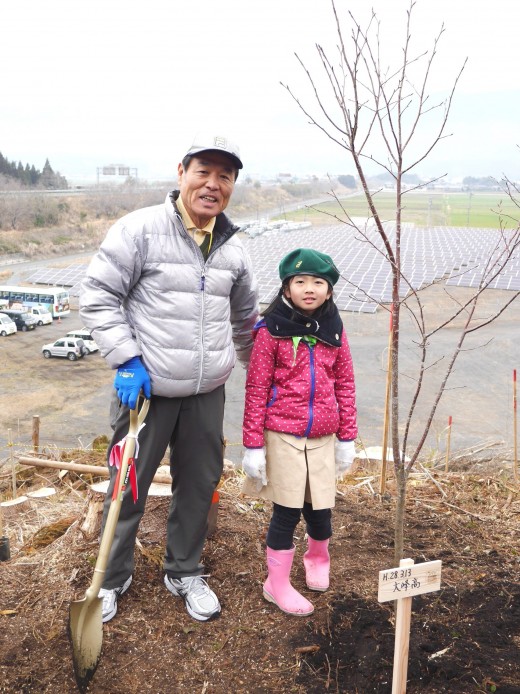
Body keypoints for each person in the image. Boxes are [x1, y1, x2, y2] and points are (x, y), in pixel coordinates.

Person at [80, 133, 259, 623]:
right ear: (181, 172)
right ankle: (112, 579)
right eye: (204, 171)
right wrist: (126, 359)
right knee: (127, 487)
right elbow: (97, 294)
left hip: (206, 393)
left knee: (198, 485)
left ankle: (184, 570)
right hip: (147, 392)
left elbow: (246, 324)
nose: (213, 184)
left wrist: (266, 378)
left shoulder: (234, 251)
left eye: (225, 176)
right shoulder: (139, 230)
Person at [241, 248, 357, 616]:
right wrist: (253, 447)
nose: (310, 288)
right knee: (287, 511)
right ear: (287, 288)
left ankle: (317, 557)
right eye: (300, 281)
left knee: (321, 510)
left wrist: (347, 438)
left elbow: (346, 384)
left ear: (329, 290)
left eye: (318, 282)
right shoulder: (270, 331)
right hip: (284, 435)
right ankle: (276, 584)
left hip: (323, 436)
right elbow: (256, 389)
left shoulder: (334, 330)